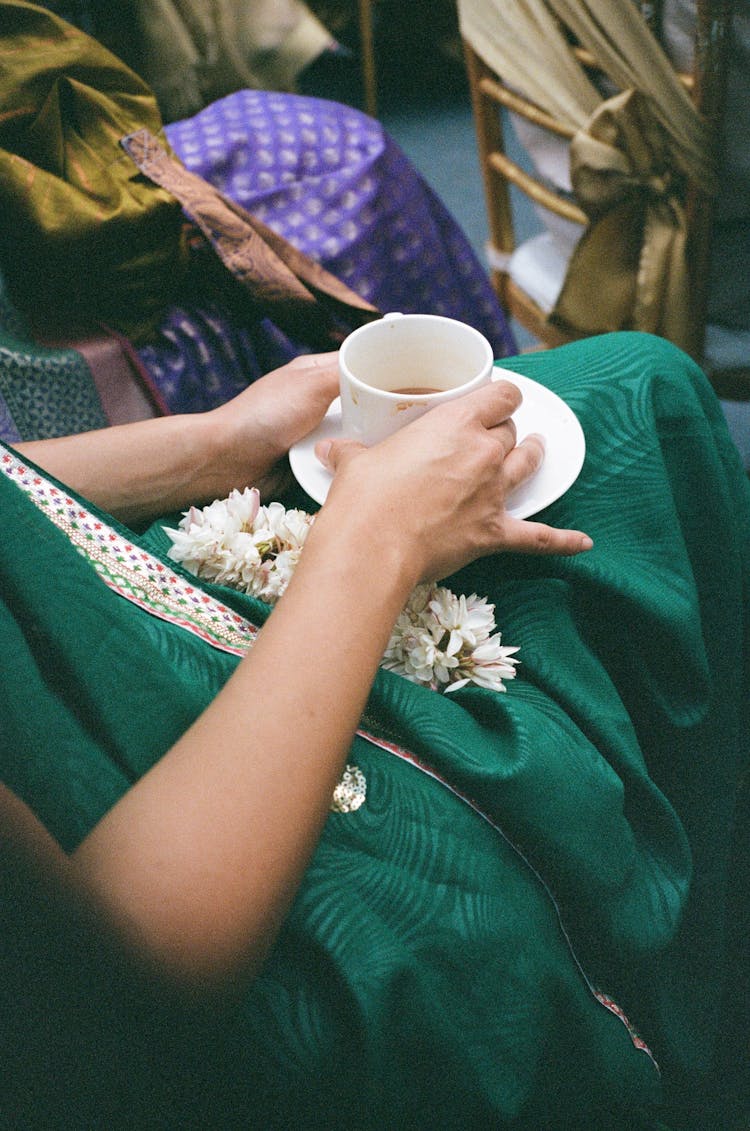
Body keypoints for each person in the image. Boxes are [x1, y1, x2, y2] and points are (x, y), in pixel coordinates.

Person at [1, 330, 748, 1129]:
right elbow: (119, 984)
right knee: (493, 901)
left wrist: (213, 442)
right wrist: (376, 537)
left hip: (81, 570)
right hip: (179, 870)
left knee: (643, 387)